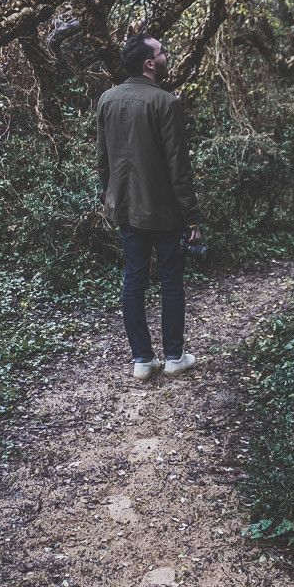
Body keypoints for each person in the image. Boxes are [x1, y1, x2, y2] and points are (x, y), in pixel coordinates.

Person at [96, 32, 201, 380]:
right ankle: (173, 356)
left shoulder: (107, 100)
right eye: (162, 51)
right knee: (171, 281)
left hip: (125, 208)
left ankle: (142, 359)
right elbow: (178, 166)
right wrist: (191, 214)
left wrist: (109, 198)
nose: (166, 55)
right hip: (164, 211)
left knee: (134, 280)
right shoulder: (165, 102)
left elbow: (103, 161)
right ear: (149, 63)